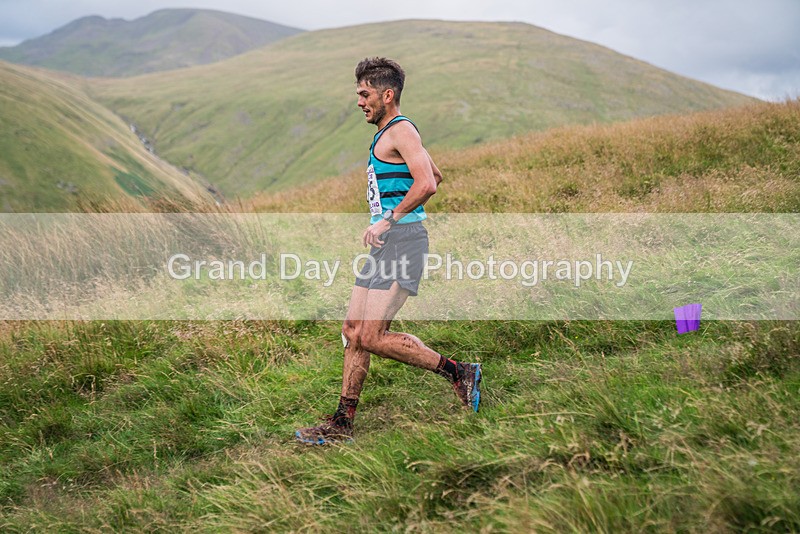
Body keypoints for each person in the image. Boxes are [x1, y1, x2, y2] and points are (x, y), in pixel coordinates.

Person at [295, 57, 482, 445]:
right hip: (387, 245)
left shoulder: (401, 129)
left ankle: (459, 373)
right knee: (353, 331)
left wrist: (389, 218)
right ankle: (342, 423)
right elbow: (435, 174)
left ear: (387, 94)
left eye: (365, 94)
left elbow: (428, 184)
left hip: (403, 241)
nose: (360, 101)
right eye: (358, 94)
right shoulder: (390, 133)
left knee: (373, 335)